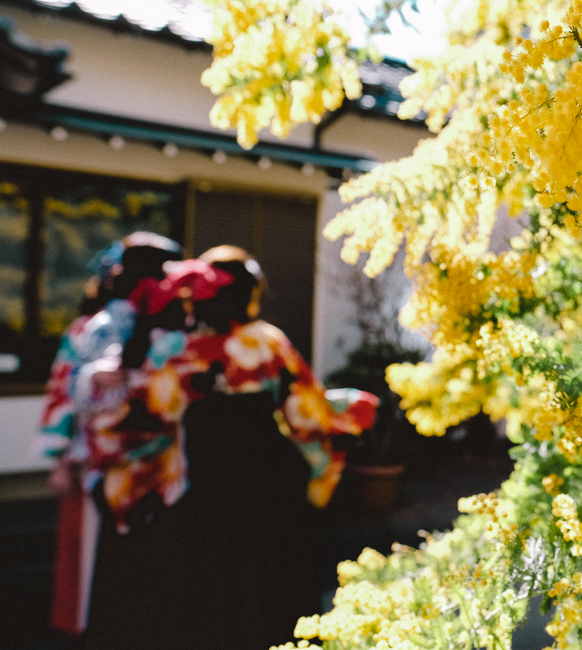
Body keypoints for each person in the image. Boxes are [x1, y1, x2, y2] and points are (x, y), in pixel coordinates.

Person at [83, 254, 378, 650]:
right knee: (269, 571)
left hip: (197, 478)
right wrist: (348, 410)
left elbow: (148, 415)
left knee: (203, 577)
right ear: (249, 297)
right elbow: (305, 414)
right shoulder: (267, 340)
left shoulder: (177, 348)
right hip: (264, 478)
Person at [36, 232, 182, 637]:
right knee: (95, 563)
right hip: (107, 463)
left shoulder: (173, 327)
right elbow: (65, 391)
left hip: (149, 460)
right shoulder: (95, 327)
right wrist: (64, 457)